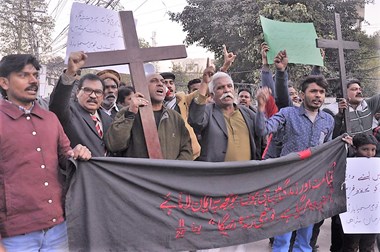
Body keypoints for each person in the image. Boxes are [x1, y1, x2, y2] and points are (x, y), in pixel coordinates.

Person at [0, 54, 91, 252]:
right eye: (23, 75)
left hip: (57, 229)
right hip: (15, 236)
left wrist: (76, 153)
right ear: (4, 82)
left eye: (35, 74)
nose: (33, 80)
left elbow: (65, 156)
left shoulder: (50, 119)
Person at [256, 75, 335, 252]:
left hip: (312, 185)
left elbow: (327, 151)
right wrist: (261, 108)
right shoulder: (287, 114)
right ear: (302, 94)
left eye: (322, 92)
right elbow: (263, 130)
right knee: (283, 238)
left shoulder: (328, 120)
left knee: (305, 239)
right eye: (313, 91)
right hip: (287, 183)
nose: (318, 95)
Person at [104, 73, 192, 160]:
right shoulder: (126, 112)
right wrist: (130, 114)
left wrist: (173, 171)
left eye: (162, 82)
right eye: (154, 81)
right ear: (142, 87)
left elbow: (186, 150)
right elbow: (114, 145)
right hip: (137, 173)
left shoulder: (175, 117)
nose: (160, 84)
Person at [189, 69, 262, 162]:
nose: (226, 90)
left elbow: (261, 140)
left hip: (247, 173)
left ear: (234, 90)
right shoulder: (208, 112)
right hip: (217, 173)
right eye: (220, 88)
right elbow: (196, 121)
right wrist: (204, 83)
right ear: (212, 95)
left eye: (229, 86)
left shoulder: (249, 114)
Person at [49, 51, 113, 157]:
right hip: (80, 172)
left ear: (102, 96)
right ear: (78, 92)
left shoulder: (107, 119)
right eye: (87, 90)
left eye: (98, 92)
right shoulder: (69, 112)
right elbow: (57, 103)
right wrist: (70, 73)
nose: (93, 96)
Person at [341, 133, 378, 252]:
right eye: (365, 149)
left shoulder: (377, 167)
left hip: (372, 216)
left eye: (373, 150)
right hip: (352, 216)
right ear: (355, 149)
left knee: (368, 246)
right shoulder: (347, 163)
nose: (369, 154)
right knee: (350, 246)